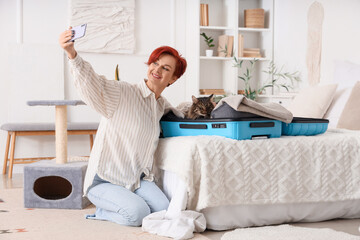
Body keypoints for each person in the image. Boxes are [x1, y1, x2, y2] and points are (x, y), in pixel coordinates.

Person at [58, 28, 187, 226]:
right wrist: (72, 55)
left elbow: (180, 113)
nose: (157, 70)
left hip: (136, 180)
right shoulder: (123, 93)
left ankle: (125, 201)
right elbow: (93, 83)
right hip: (104, 180)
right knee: (138, 214)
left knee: (163, 209)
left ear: (174, 79)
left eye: (166, 68)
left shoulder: (161, 105)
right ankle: (101, 211)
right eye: (155, 63)